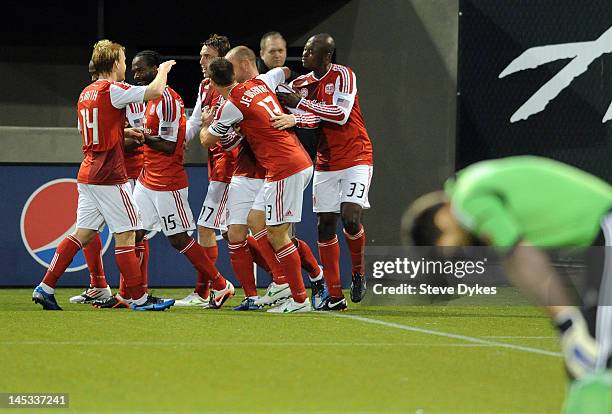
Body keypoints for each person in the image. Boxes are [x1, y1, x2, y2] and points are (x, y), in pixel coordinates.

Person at [401, 156, 612, 411]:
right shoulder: (471, 186)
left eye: (446, 249)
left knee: (594, 363)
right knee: (588, 362)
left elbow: (519, 254)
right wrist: (565, 322)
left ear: (442, 220)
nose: (457, 251)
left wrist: (567, 321)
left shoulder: (468, 202)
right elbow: (514, 260)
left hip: (607, 230)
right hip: (600, 238)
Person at [31, 39, 176, 311]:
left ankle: (45, 287)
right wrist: (164, 69)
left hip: (88, 172)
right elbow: (155, 91)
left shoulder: (85, 93)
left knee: (82, 234)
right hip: (109, 175)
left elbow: (88, 131)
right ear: (113, 64)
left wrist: (120, 135)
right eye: (122, 60)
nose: (124, 65)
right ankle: (138, 298)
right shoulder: (113, 89)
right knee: (128, 234)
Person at [201, 52, 315, 313]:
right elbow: (284, 71)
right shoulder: (260, 82)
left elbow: (208, 141)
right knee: (255, 219)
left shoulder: (232, 105)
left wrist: (207, 124)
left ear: (213, 83)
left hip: (286, 166)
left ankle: (298, 298)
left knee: (277, 233)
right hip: (288, 162)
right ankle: (283, 284)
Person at [274, 33, 374, 310]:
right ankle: (333, 294)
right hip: (326, 162)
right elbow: (303, 117)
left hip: (356, 157)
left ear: (326, 56)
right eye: (304, 49)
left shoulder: (343, 75)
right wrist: (295, 112)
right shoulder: (300, 84)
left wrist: (299, 105)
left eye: (310, 51)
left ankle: (358, 272)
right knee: (325, 224)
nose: (304, 55)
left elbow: (339, 114)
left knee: (350, 216)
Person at [129, 50, 235, 309]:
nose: (136, 75)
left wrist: (140, 136)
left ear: (156, 70)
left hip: (167, 182)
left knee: (178, 239)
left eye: (141, 70)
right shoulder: (150, 99)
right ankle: (134, 294)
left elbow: (167, 145)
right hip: (146, 179)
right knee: (134, 233)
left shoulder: (167, 100)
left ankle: (221, 285)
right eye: (134, 70)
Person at [70, 60, 149, 305]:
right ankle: (99, 284)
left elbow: (140, 136)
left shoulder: (126, 94)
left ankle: (129, 293)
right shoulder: (97, 94)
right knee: (90, 230)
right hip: (107, 170)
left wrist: (115, 136)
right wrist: (114, 135)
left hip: (130, 171)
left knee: (134, 231)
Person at [177, 34, 234, 307]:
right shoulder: (204, 86)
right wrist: (176, 144)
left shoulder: (235, 88)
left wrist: (207, 129)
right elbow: (195, 122)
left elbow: (214, 130)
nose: (201, 60)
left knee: (206, 226)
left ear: (222, 60)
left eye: (207, 56)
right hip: (217, 164)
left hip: (231, 166)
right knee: (244, 232)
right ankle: (283, 281)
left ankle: (204, 292)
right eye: (201, 55)